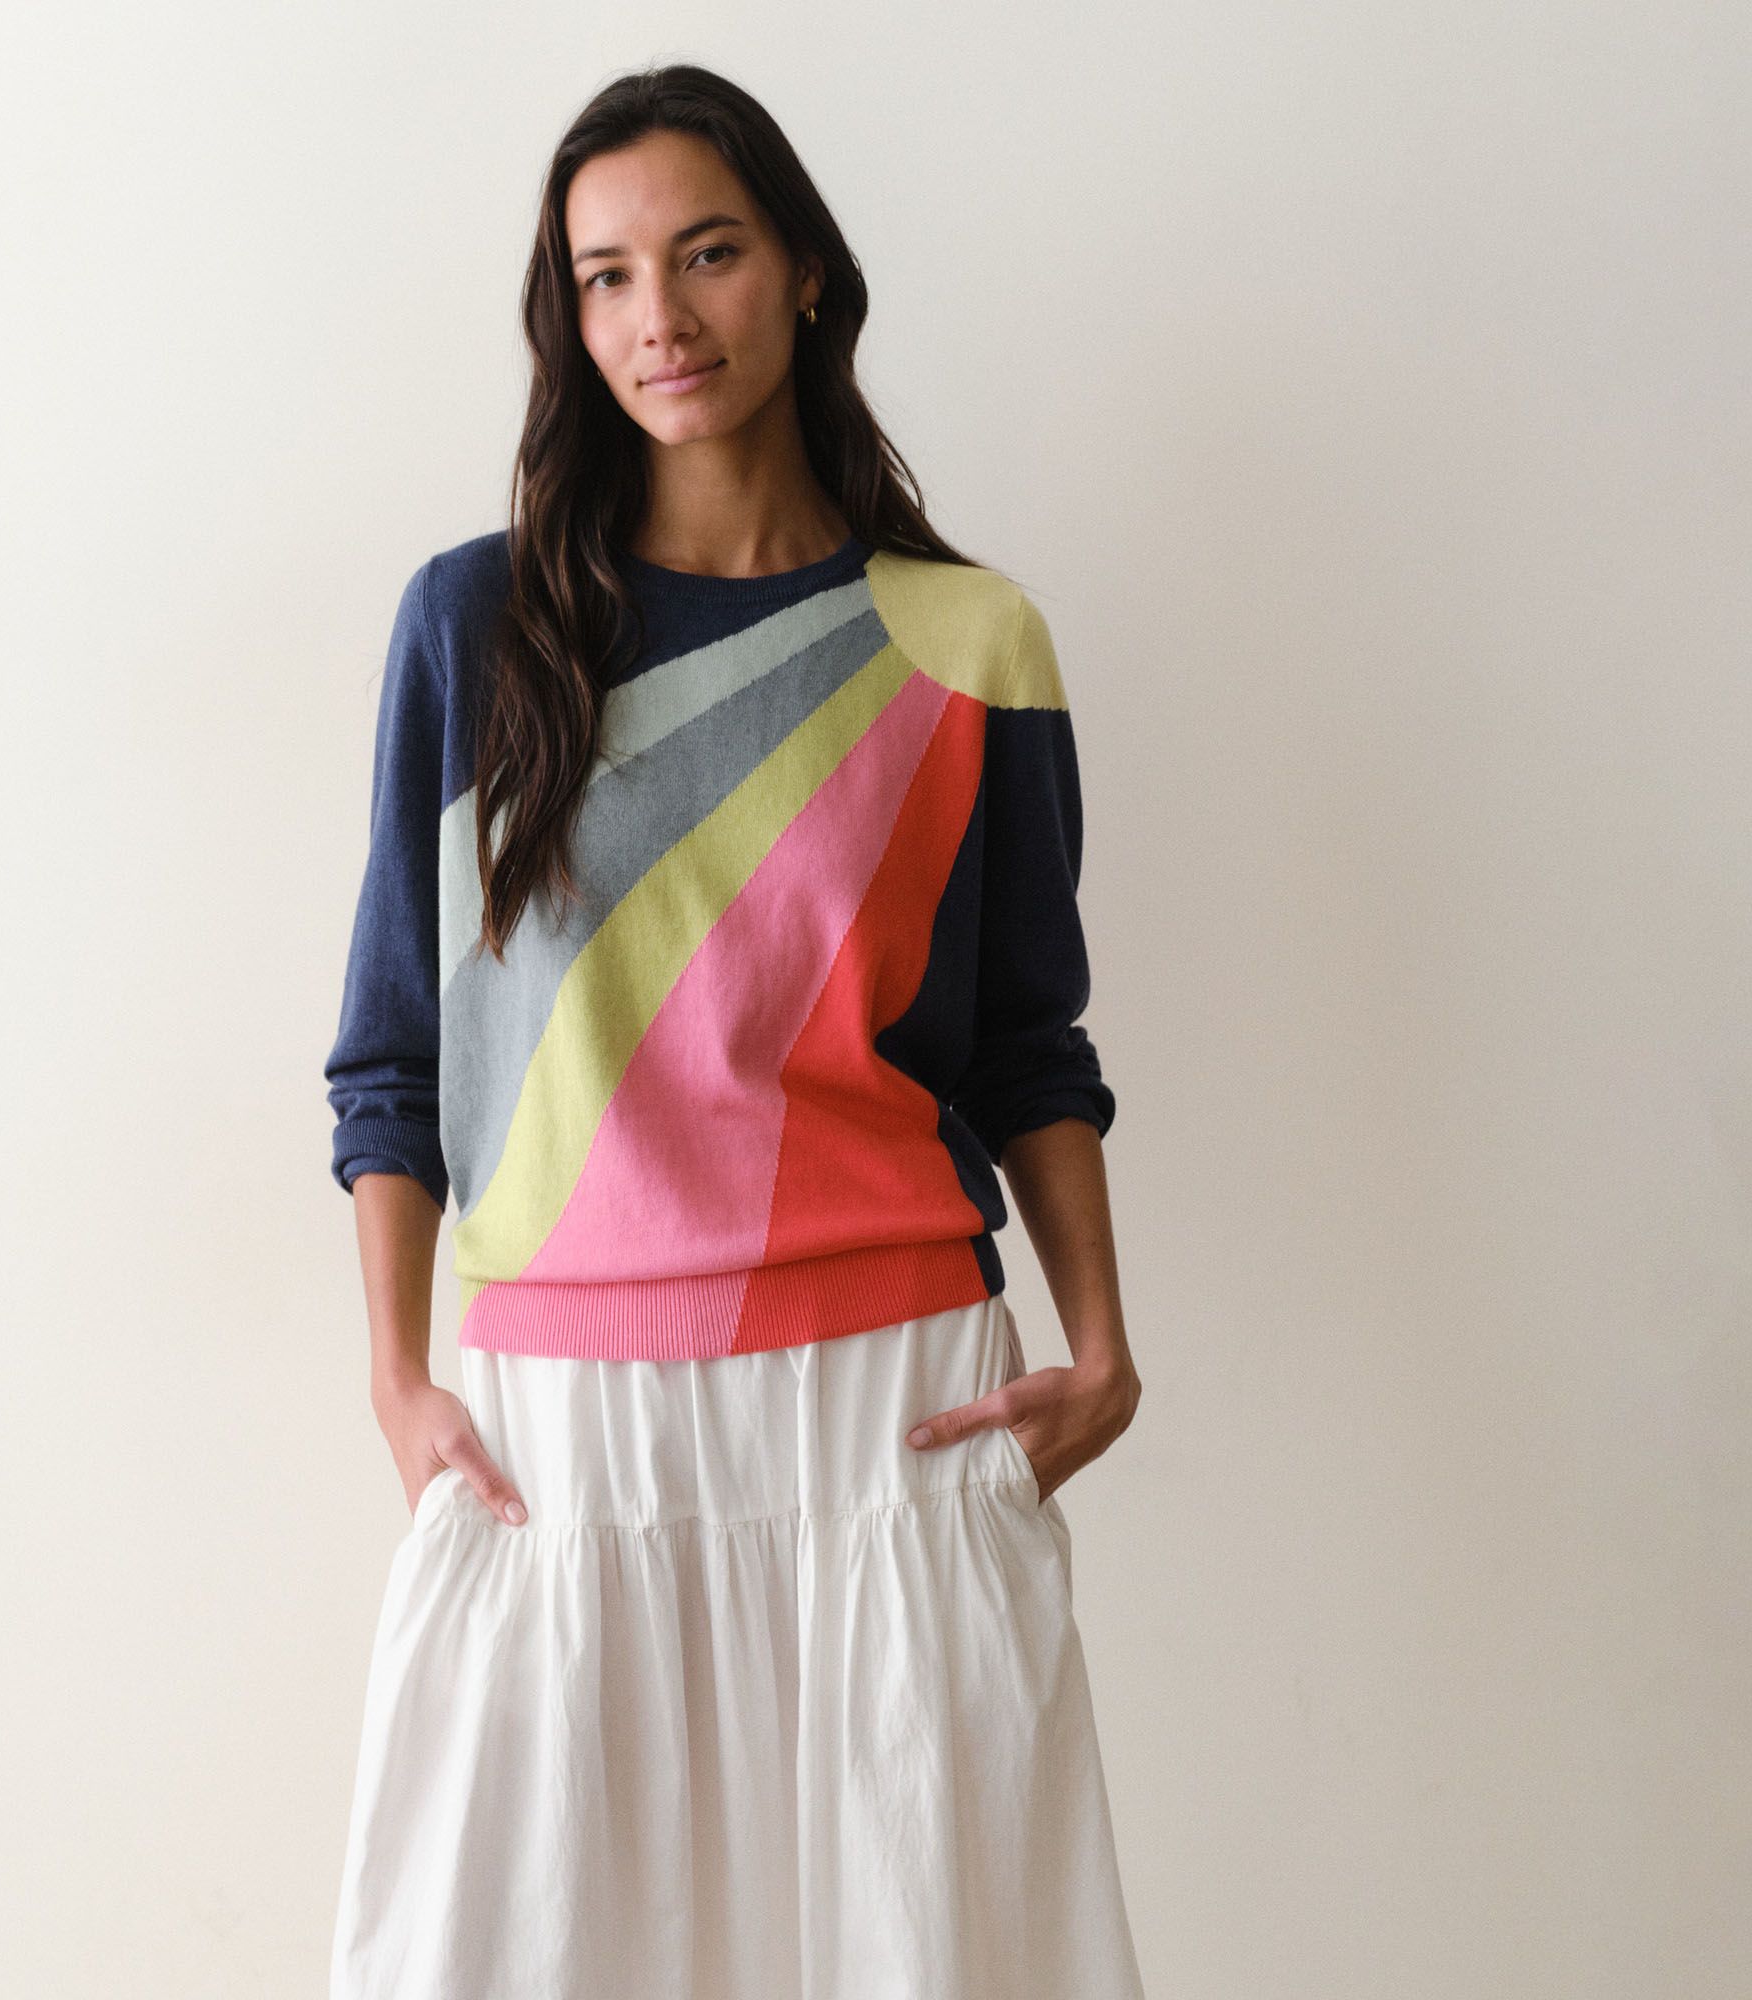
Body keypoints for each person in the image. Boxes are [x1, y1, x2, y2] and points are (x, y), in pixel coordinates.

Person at [321, 61, 1148, 2000]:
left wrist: (1104, 1346)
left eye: (706, 255)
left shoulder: (970, 639)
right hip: (561, 1425)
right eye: (604, 277)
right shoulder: (475, 628)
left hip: (889, 1398)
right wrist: (397, 1376)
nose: (659, 319)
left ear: (804, 274)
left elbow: (1028, 1039)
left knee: (924, 1950)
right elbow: (390, 1057)